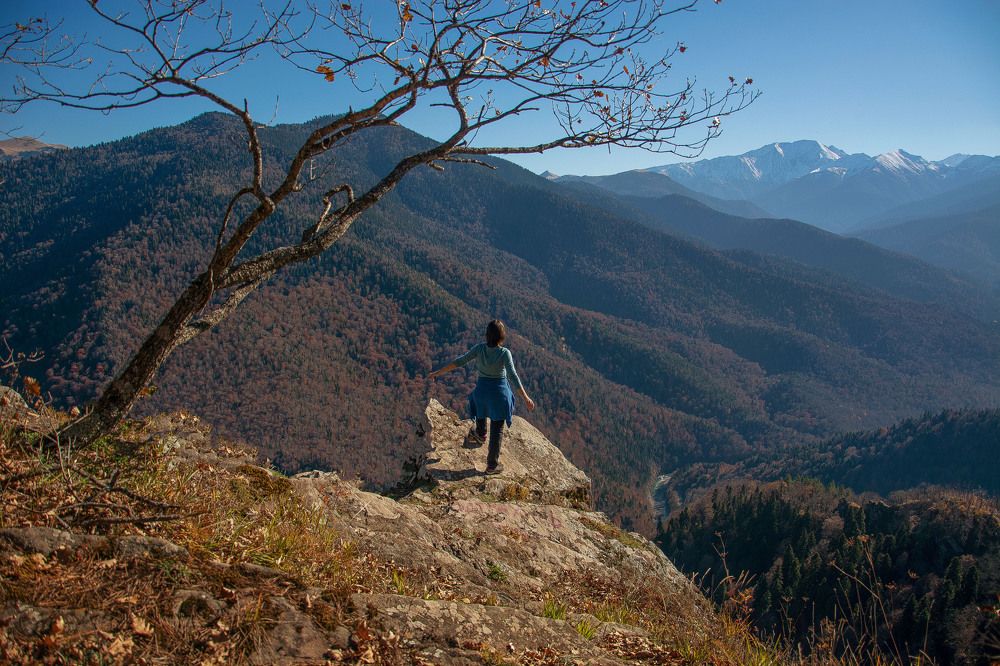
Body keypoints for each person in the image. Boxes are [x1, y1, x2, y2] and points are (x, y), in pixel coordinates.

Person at [428, 320, 535, 475]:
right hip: (499, 393)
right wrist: (526, 398)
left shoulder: (479, 349)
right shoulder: (504, 353)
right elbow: (513, 375)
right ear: (501, 336)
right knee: (497, 429)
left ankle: (480, 433)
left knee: (480, 406)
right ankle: (492, 465)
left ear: (487, 335)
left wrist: (438, 372)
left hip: (482, 392)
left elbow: (460, 361)